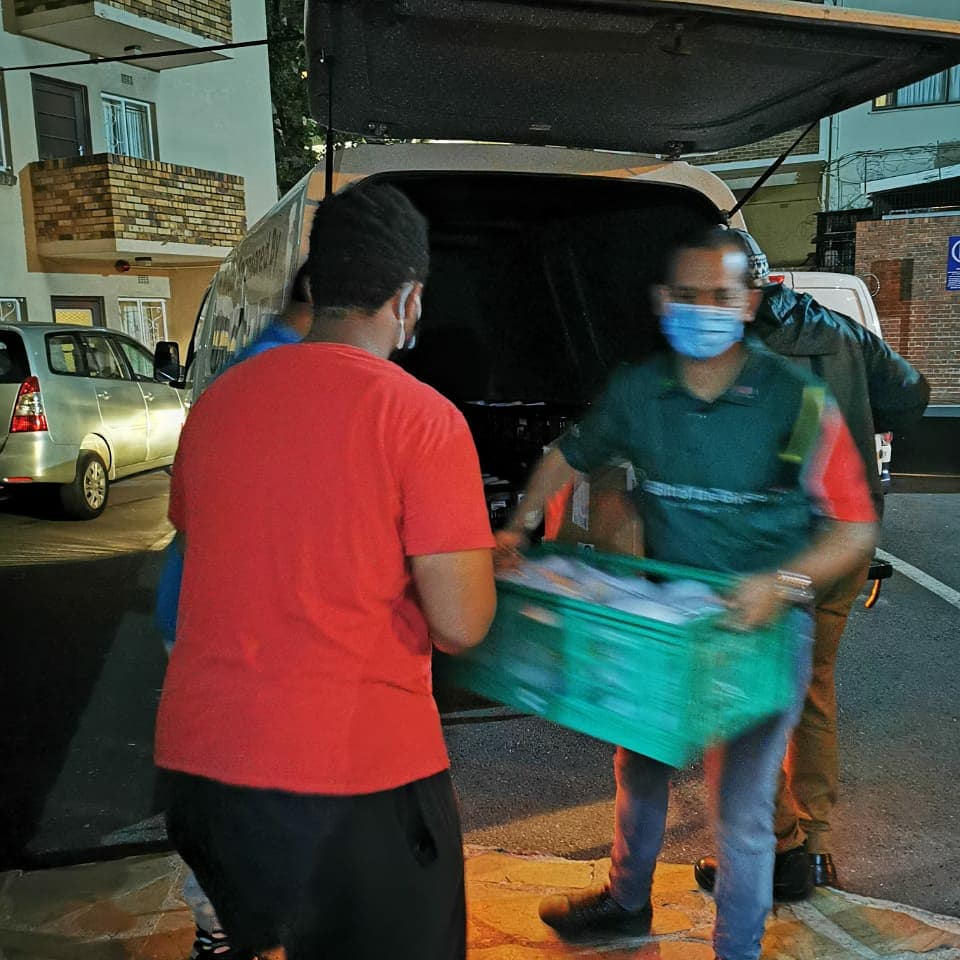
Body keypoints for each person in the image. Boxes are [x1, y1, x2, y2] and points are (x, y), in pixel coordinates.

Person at [495, 227, 878, 960]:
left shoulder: (794, 399)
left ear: (749, 301)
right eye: (689, 296)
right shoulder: (641, 391)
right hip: (667, 624)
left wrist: (786, 583)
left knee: (740, 810)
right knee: (637, 769)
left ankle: (736, 948)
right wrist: (518, 528)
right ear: (664, 302)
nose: (704, 309)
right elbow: (567, 456)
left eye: (721, 296)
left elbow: (853, 527)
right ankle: (625, 903)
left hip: (759, 633)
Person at [155, 181, 497, 960]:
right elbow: (460, 622)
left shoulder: (217, 405)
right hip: (351, 781)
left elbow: (229, 539)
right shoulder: (420, 418)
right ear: (408, 299)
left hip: (205, 778)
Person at [692, 229, 930, 900]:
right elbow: (913, 391)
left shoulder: (736, 349)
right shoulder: (839, 330)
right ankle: (814, 846)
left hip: (771, 547)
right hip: (845, 537)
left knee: (745, 697)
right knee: (813, 690)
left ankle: (782, 848)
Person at [153, 263, 315, 960]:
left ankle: (228, 925)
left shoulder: (248, 372)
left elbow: (182, 506)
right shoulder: (292, 384)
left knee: (237, 779)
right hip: (236, 626)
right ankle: (222, 930)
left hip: (200, 616)